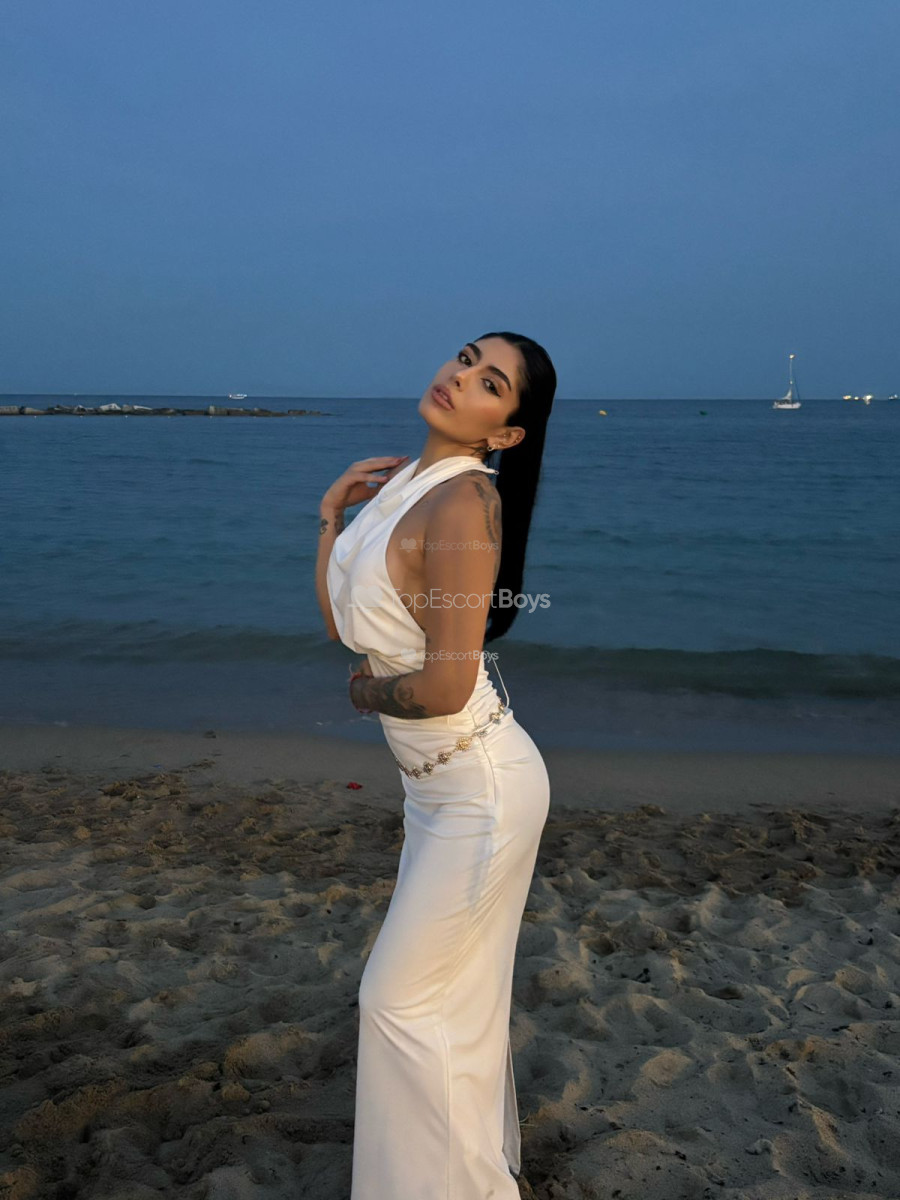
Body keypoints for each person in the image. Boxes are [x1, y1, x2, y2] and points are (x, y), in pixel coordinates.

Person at [315, 331, 556, 1198]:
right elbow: (347, 621)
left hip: (479, 788)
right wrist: (331, 517)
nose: (460, 378)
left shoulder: (462, 504)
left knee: (397, 1003)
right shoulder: (406, 485)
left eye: (490, 383)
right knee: (453, 1003)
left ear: (506, 433)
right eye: (464, 358)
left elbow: (448, 685)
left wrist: (365, 696)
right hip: (434, 790)